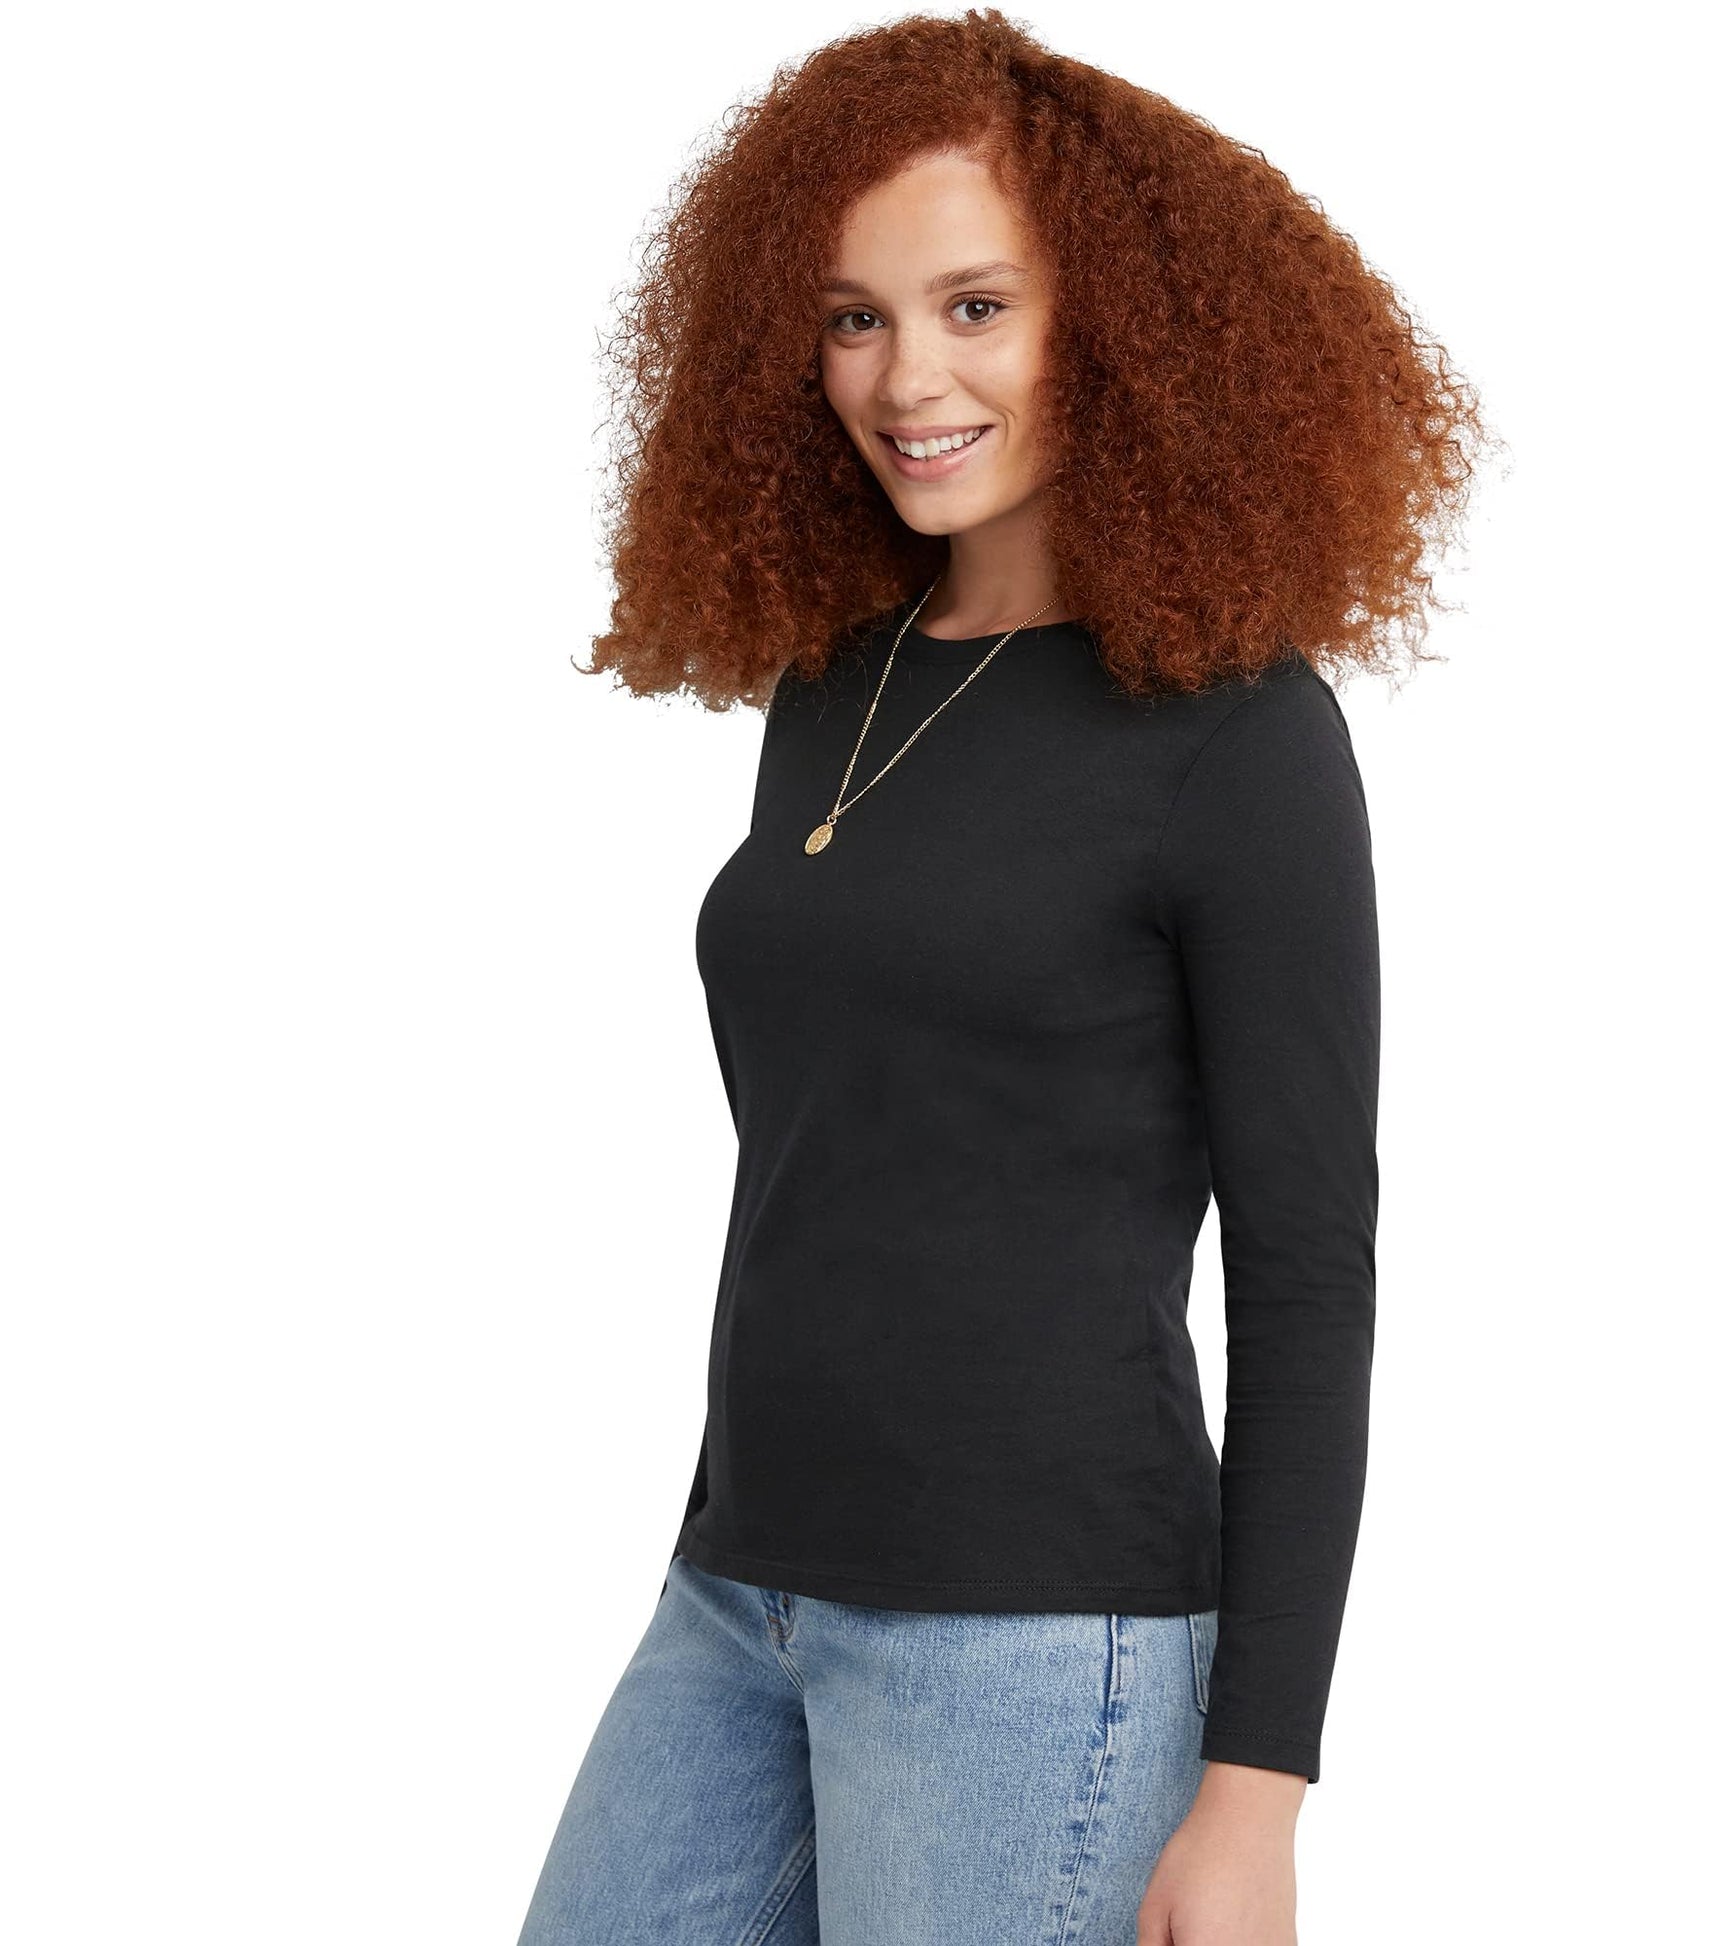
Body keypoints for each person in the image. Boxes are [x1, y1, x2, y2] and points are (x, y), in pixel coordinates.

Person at [517, 11, 1485, 1943]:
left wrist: (1257, 1790)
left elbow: (1309, 1277)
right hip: (737, 1590)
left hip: (1037, 1642)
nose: (908, 377)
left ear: (1116, 326)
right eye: (852, 318)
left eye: (976, 305)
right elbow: (834, 1170)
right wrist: (730, 1521)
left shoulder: (1238, 735)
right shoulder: (838, 682)